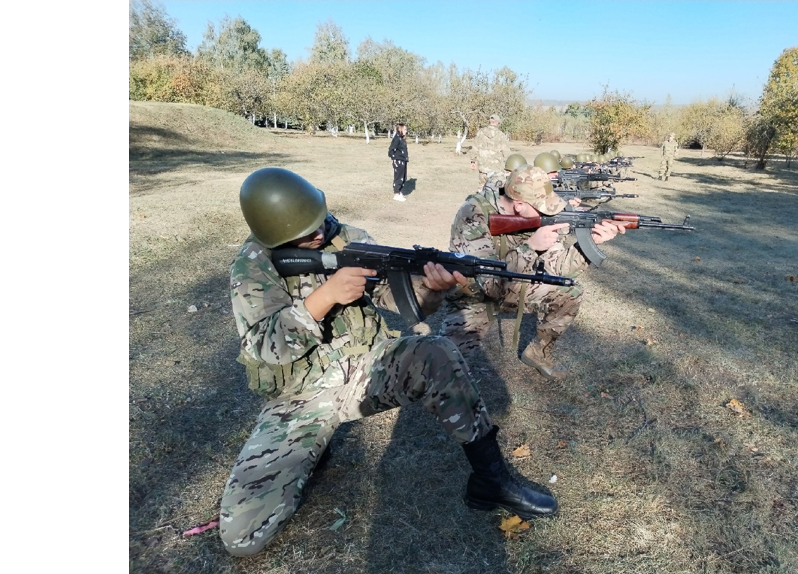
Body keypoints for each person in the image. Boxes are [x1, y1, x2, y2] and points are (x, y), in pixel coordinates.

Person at [220, 167, 557, 557]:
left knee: (437, 351)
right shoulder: (253, 267)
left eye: (319, 224)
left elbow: (396, 301)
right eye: (305, 234)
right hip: (301, 396)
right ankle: (311, 452)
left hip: (366, 368)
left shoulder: (348, 239)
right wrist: (323, 299)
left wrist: (430, 289)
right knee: (242, 537)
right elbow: (263, 347)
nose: (318, 235)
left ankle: (491, 480)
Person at [443, 165, 627, 381]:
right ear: (519, 205)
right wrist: (531, 247)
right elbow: (489, 284)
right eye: (542, 209)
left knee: (570, 291)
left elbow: (559, 269)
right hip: (474, 296)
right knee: (443, 369)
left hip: (515, 286)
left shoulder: (538, 216)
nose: (547, 213)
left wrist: (591, 243)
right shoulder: (473, 213)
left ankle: (537, 352)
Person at [469, 114, 511, 184]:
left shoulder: (481, 133)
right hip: (496, 168)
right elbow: (506, 152)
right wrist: (509, 167)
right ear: (497, 123)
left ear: (490, 122)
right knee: (495, 190)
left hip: (483, 167)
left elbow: (475, 148)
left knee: (481, 189)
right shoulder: (501, 135)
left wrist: (473, 161)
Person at [388, 123, 409, 201]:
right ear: (400, 129)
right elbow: (391, 150)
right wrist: (395, 159)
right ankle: (396, 194)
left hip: (403, 160)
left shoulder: (401, 138)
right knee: (398, 177)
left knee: (403, 177)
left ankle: (399, 192)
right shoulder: (396, 138)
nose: (406, 131)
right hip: (399, 161)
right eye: (405, 129)